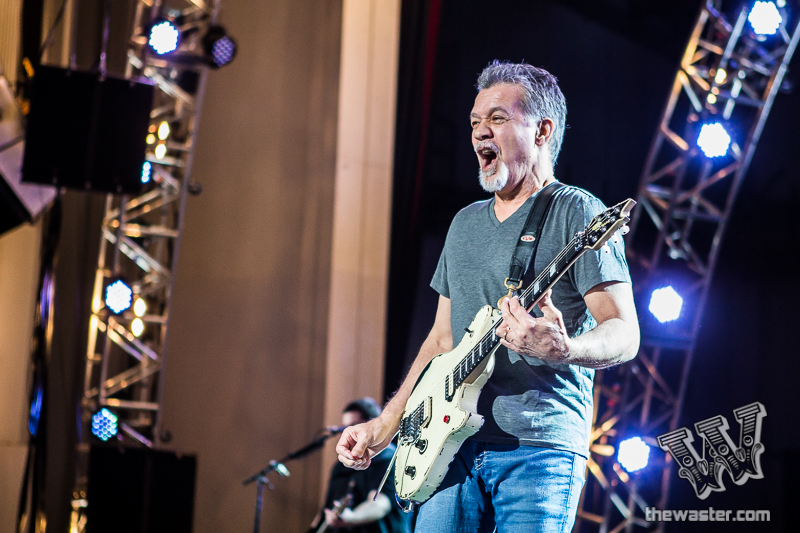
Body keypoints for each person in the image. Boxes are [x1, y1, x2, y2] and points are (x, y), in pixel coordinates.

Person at [335, 61, 640, 532]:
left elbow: (624, 333)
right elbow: (441, 342)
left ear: (542, 131)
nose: (480, 131)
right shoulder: (464, 224)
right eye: (475, 121)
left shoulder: (577, 211)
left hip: (536, 448)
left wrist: (565, 348)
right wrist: (386, 424)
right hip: (447, 447)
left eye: (497, 118)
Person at [309, 397, 411, 533]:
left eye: (354, 425)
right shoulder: (340, 466)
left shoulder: (389, 457)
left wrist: (352, 517)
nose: (348, 432)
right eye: (345, 427)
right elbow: (325, 509)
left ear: (371, 425)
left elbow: (381, 503)